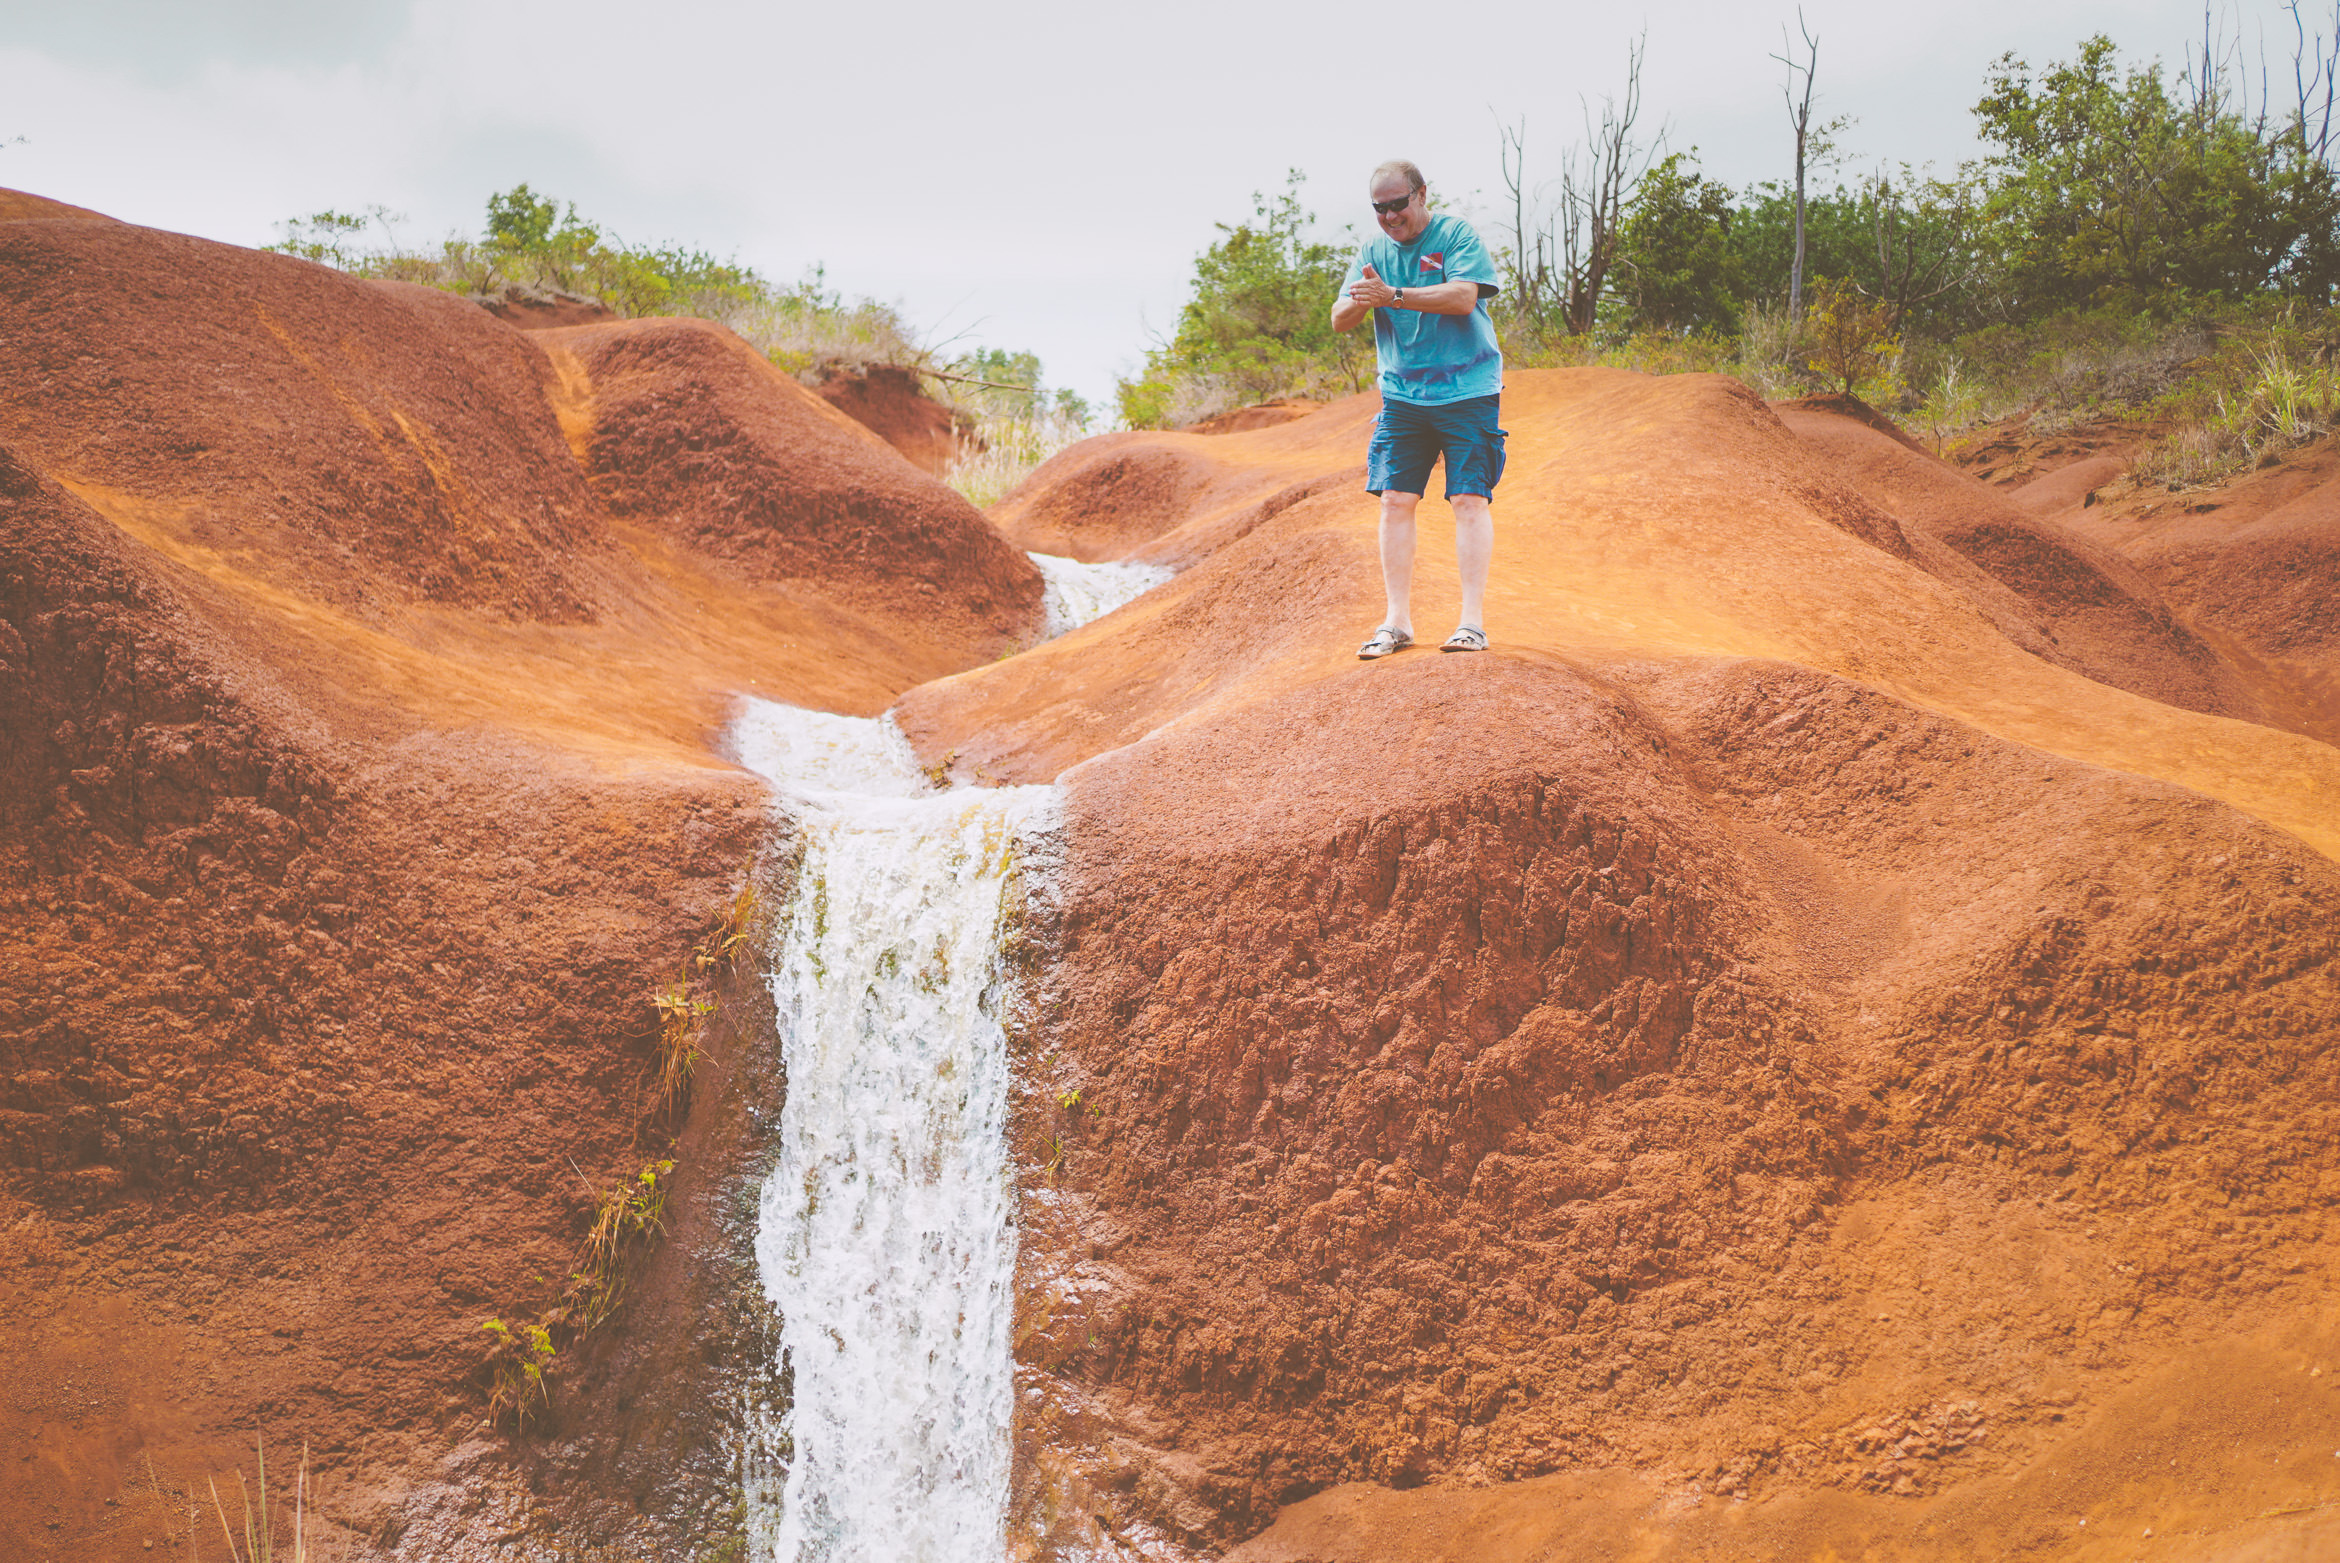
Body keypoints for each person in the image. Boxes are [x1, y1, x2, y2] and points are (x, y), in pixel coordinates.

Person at [1330, 159, 1504, 658]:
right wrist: (1365, 298)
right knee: (1394, 500)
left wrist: (1394, 295)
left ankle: (1471, 623)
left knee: (1468, 499)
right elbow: (1340, 318)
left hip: (1468, 389)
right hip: (1403, 395)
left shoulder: (1455, 235)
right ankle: (1397, 622)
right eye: (1379, 208)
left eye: (1397, 204)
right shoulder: (1372, 251)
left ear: (1421, 194)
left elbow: (1463, 297)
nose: (1389, 217)